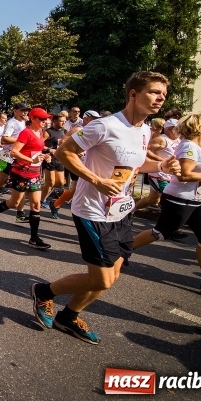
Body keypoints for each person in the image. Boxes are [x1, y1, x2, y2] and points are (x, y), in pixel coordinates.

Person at [30, 71, 179, 345]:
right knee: (102, 280)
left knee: (115, 273)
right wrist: (96, 180)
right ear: (133, 94)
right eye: (154, 92)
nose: (161, 98)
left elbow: (134, 165)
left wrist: (160, 166)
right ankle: (44, 291)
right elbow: (65, 152)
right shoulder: (105, 125)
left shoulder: (144, 129)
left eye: (163, 94)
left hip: (120, 211)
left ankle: (69, 316)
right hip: (92, 211)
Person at [131, 112, 201, 296]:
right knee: (160, 232)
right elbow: (183, 175)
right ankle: (124, 250)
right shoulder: (188, 147)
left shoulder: (194, 146)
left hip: (197, 200)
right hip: (180, 198)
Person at [0, 107, 53, 250]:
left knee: (36, 204)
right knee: (6, 191)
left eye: (46, 119)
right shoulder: (17, 126)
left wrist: (46, 153)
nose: (45, 121)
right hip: (9, 161)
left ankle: (34, 238)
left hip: (33, 172)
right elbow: (11, 147)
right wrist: (30, 159)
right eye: (42, 119)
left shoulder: (39, 131)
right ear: (33, 118)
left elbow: (36, 147)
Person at [134, 118, 180, 212]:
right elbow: (146, 150)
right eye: (176, 128)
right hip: (159, 175)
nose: (179, 131)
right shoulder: (162, 139)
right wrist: (162, 161)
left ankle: (130, 211)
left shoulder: (178, 140)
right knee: (170, 198)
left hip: (171, 174)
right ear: (168, 129)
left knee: (153, 199)